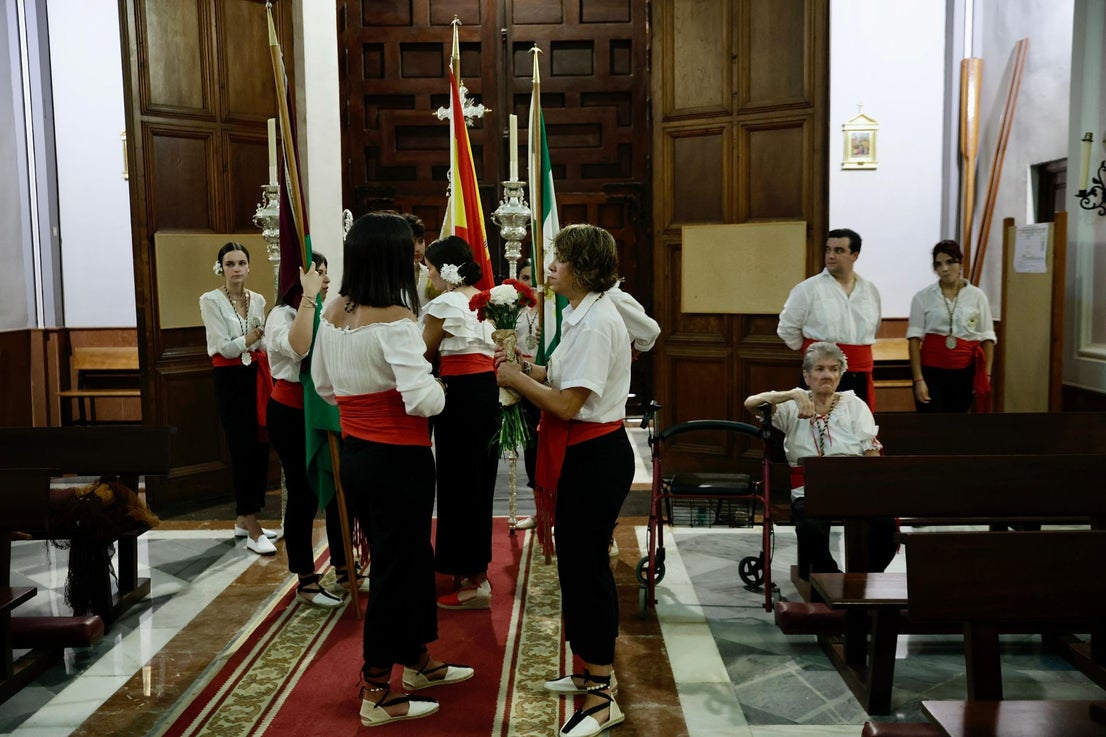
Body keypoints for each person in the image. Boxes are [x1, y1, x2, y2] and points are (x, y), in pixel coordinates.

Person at [311, 212, 473, 727]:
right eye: (410, 251)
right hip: (399, 460)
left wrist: (364, 405)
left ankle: (419, 660)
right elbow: (423, 400)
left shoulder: (333, 311)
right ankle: (377, 688)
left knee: (405, 559)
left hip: (358, 455)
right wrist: (442, 390)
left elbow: (323, 388)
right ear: (391, 256)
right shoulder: (399, 320)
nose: (416, 258)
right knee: (394, 570)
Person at [495, 223, 633, 737]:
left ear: (583, 267)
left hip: (595, 453)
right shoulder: (580, 314)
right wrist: (528, 366)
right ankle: (587, 669)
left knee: (589, 569)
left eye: (561, 258)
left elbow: (569, 404)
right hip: (582, 452)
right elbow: (561, 377)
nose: (551, 266)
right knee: (575, 568)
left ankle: (602, 695)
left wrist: (516, 380)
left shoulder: (598, 323)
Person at [743, 342, 895, 580]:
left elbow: (871, 455)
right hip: (809, 490)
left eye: (834, 369)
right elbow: (750, 403)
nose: (827, 375)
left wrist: (875, 491)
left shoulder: (855, 405)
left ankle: (865, 579)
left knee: (885, 526)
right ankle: (832, 579)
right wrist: (793, 394)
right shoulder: (792, 404)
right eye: (820, 369)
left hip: (853, 485)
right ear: (806, 374)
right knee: (810, 528)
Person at [264, 252, 363, 608]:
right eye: (315, 273)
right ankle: (305, 579)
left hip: (325, 408)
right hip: (291, 411)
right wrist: (308, 300)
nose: (323, 278)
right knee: (303, 492)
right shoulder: (283, 314)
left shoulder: (326, 310)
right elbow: (297, 347)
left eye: (324, 272)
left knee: (340, 485)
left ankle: (343, 564)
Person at [422, 235, 500, 610]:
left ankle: (473, 578)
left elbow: (423, 353)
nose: (429, 275)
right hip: (488, 393)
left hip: (461, 395)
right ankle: (474, 568)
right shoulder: (483, 298)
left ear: (444, 270)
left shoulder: (446, 303)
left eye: (431, 268)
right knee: (480, 482)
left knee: (458, 483)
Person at [200, 242, 277, 555]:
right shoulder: (210, 300)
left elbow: (260, 344)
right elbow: (226, 347)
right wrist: (256, 336)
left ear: (249, 266)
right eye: (229, 263)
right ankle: (252, 524)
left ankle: (244, 518)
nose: (236, 269)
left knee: (260, 445)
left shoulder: (257, 299)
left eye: (241, 263)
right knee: (242, 447)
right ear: (221, 268)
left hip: (255, 376)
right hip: (230, 379)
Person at [777, 228, 882, 409]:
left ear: (854, 255)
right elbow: (787, 328)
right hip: (821, 373)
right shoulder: (808, 288)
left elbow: (875, 326)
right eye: (828, 250)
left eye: (838, 250)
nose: (831, 256)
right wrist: (815, 354)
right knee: (817, 427)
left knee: (855, 428)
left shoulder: (870, 290)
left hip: (859, 372)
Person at [907, 240, 995, 413]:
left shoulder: (977, 296)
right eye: (939, 264)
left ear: (960, 264)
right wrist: (918, 380)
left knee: (957, 423)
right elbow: (914, 341)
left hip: (965, 372)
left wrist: (986, 375)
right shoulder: (922, 297)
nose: (944, 269)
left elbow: (988, 338)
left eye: (950, 262)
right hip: (932, 371)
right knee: (931, 423)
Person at [402, 212, 431, 309]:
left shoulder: (431, 275)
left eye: (421, 241)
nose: (417, 248)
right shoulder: (388, 277)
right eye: (412, 243)